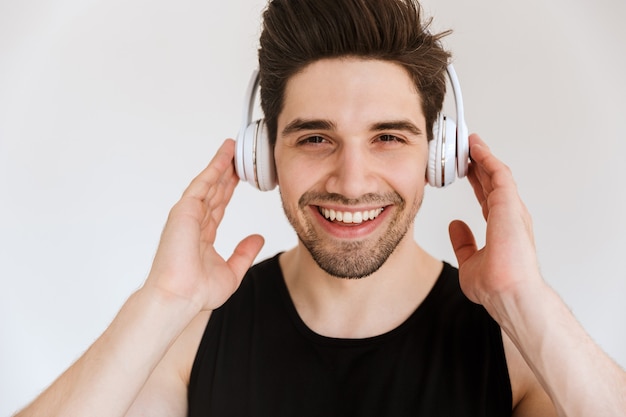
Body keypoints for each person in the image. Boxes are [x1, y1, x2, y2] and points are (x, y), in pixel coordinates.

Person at [14, 0, 626, 416]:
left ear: (438, 154)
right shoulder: (187, 341)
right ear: (264, 154)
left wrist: (526, 298)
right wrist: (162, 302)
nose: (352, 181)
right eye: (314, 138)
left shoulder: (517, 352)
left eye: (388, 136)